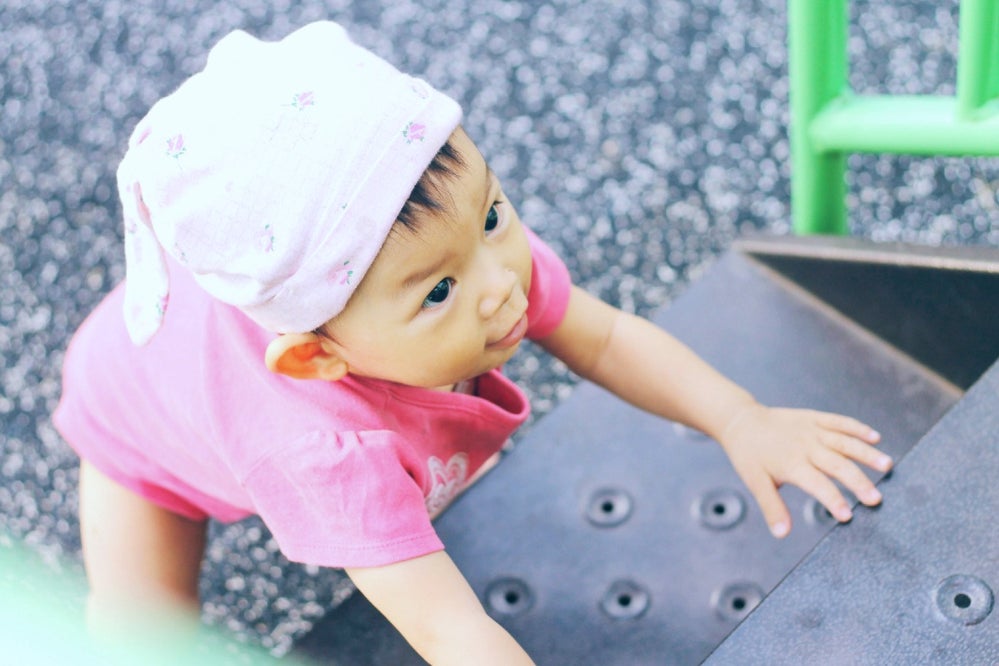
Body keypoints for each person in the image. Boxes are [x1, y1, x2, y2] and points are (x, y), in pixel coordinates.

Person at [53, 21, 892, 665]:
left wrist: (741, 419)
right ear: (319, 354)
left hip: (242, 377)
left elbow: (603, 336)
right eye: (438, 291)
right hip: (139, 428)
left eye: (492, 213)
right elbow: (450, 629)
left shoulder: (476, 261)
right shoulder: (323, 451)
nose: (500, 283)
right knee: (141, 635)